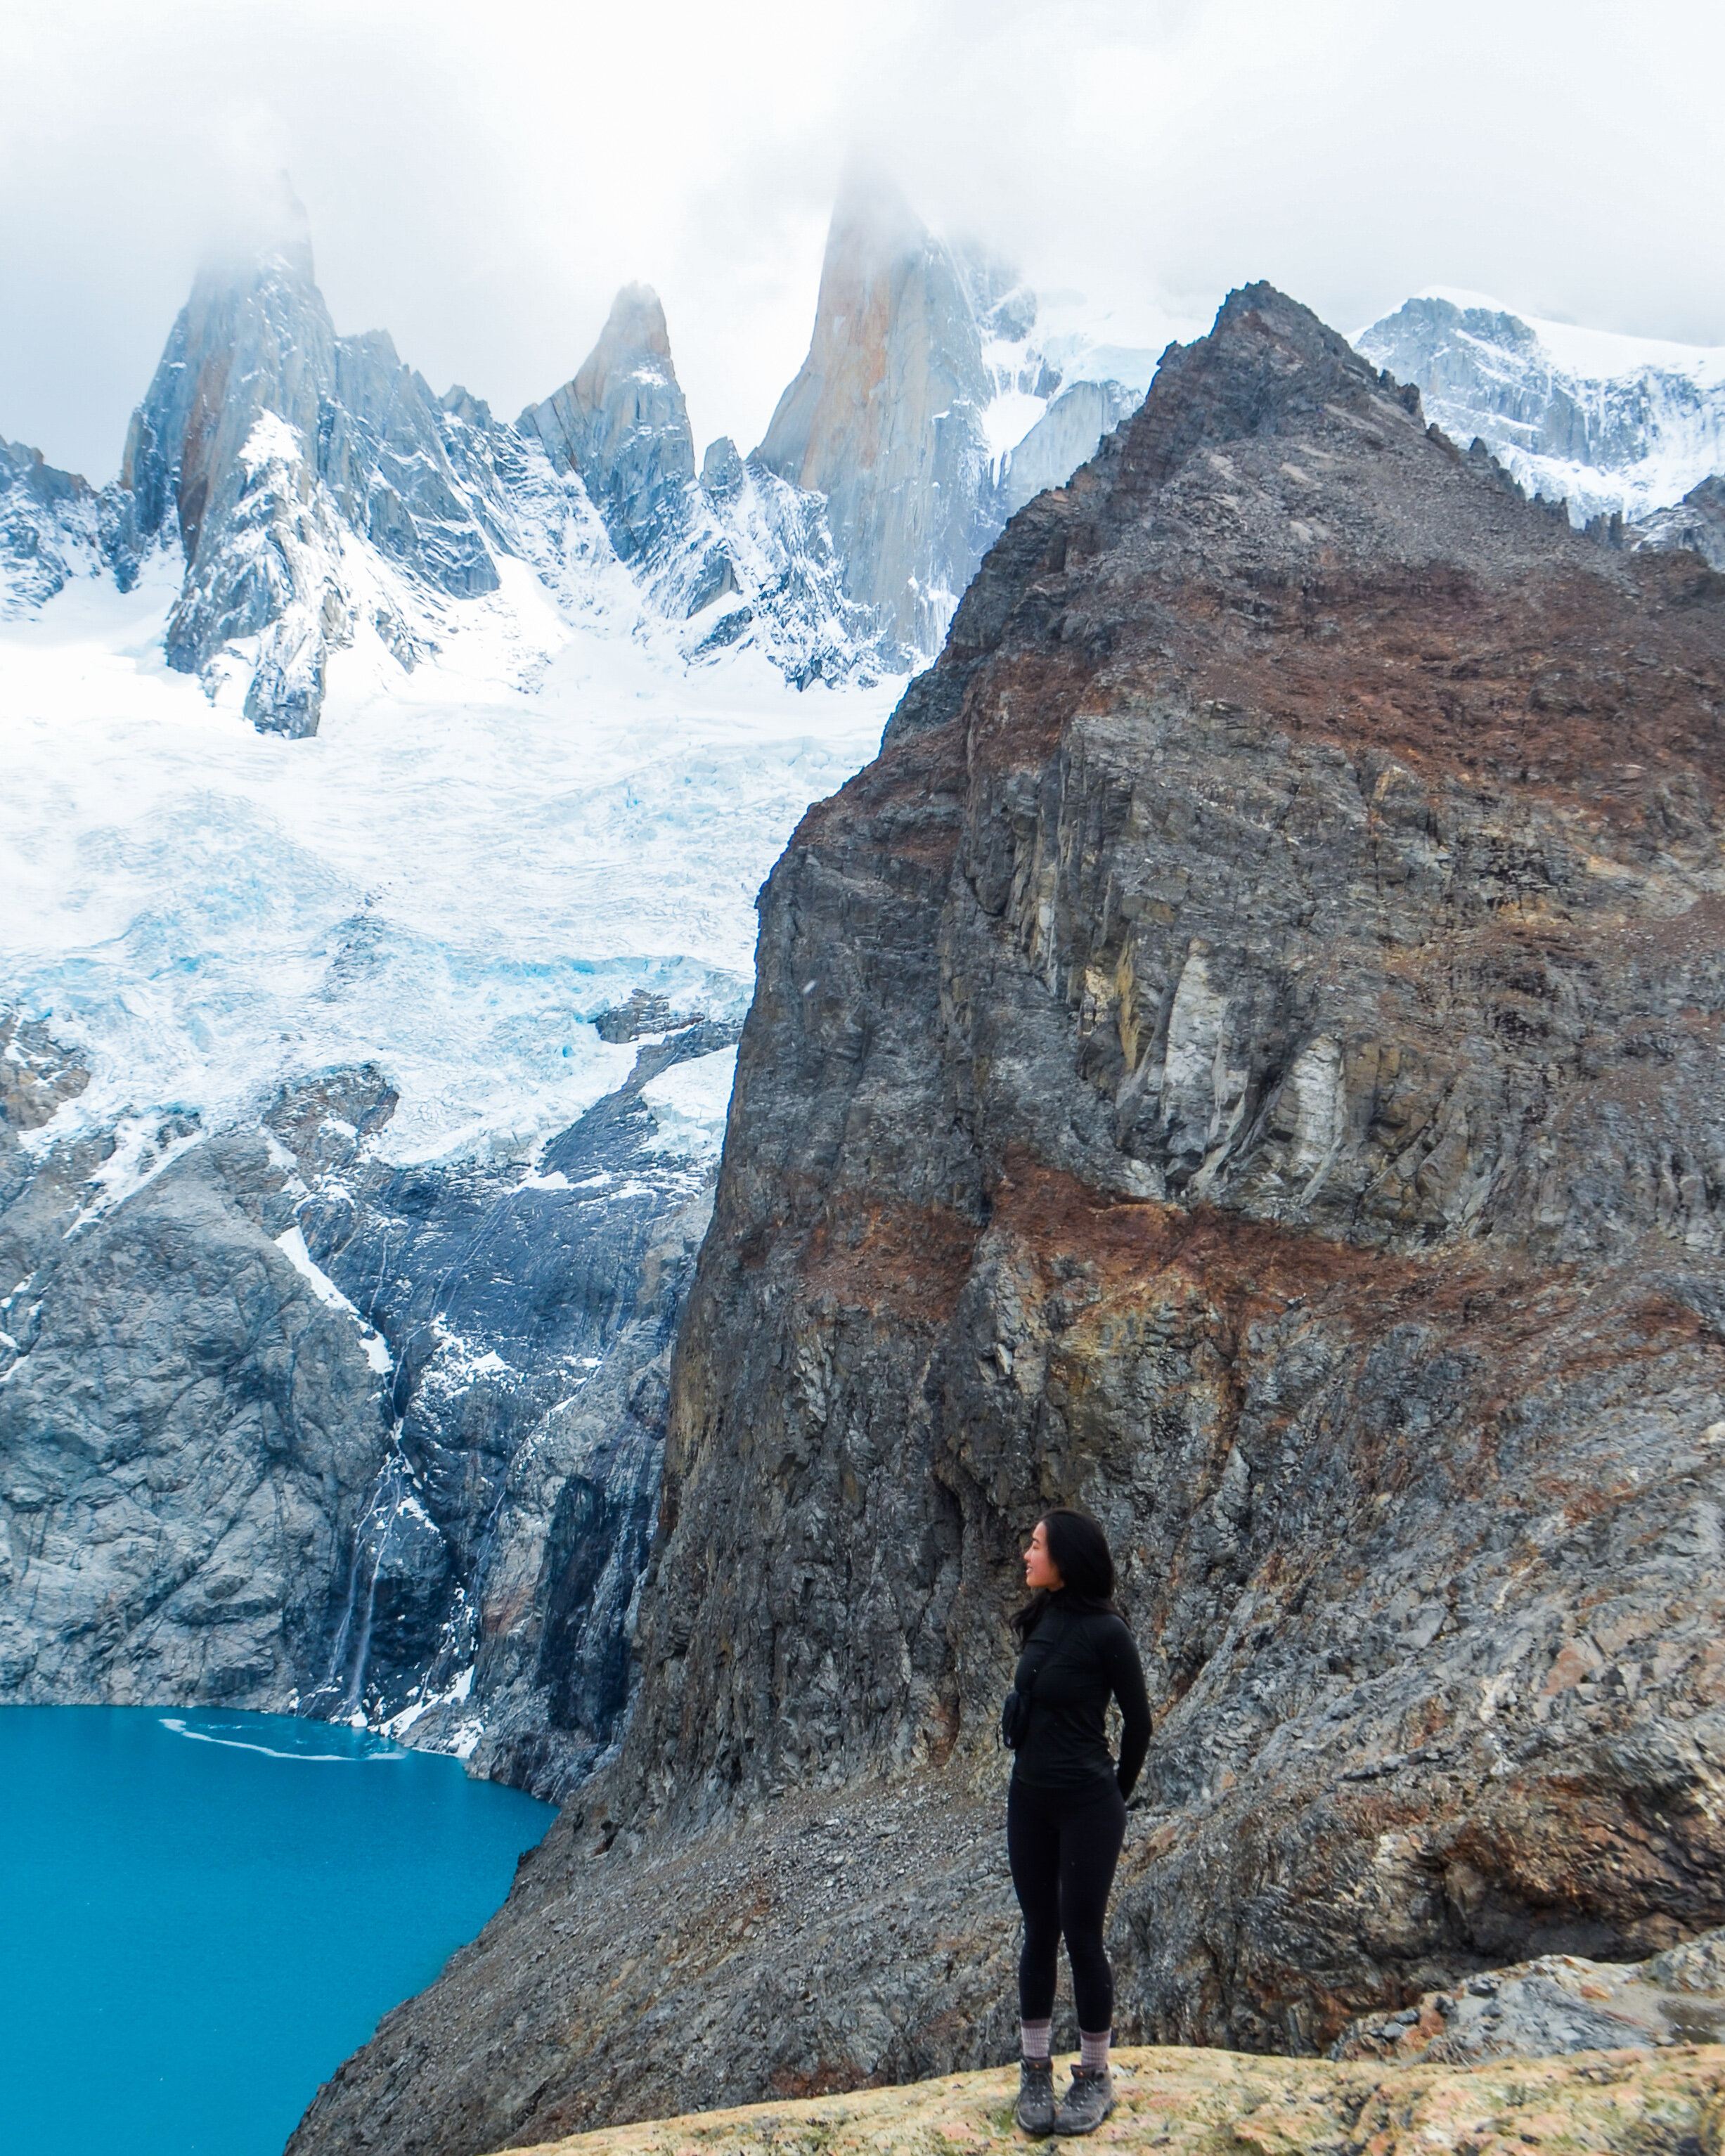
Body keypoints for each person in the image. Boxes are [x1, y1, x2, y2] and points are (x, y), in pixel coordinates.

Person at [1006, 1509, 1151, 2137]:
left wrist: (1111, 1800)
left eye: (1036, 1545)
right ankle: (1035, 2069)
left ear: (1066, 1558)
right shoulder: (1041, 1616)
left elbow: (1139, 1723)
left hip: (1086, 1805)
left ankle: (1093, 2077)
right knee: (1039, 1931)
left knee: (1082, 1935)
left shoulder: (1108, 1632)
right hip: (1030, 1801)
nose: (1026, 1554)